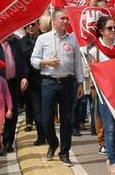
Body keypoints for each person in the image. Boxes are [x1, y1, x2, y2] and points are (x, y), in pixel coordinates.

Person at [31, 9, 86, 165]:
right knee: (46, 119)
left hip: (68, 83)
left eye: (67, 19)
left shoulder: (72, 40)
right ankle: (53, 142)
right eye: (62, 18)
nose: (65, 21)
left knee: (66, 119)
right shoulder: (43, 39)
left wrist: (80, 82)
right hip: (48, 82)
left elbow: (77, 63)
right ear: (54, 21)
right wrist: (45, 62)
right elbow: (33, 60)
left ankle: (64, 151)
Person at [82, 16, 115, 175]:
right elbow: (92, 73)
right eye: (109, 28)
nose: (114, 30)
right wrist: (90, 69)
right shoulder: (96, 50)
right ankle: (113, 162)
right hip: (105, 94)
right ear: (101, 31)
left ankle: (111, 159)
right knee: (109, 127)